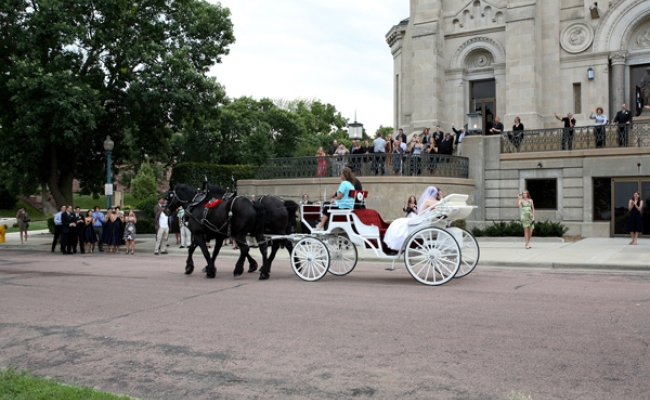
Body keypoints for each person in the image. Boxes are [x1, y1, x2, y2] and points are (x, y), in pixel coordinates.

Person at [383, 186, 442, 251]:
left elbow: (421, 213)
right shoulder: (438, 202)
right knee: (401, 222)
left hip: (423, 221)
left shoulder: (428, 201)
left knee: (398, 222)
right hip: (429, 220)